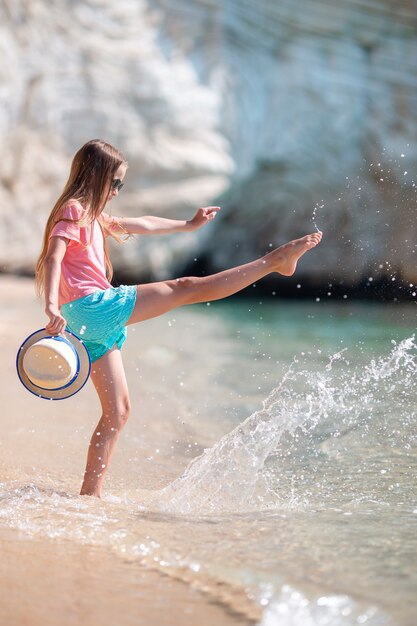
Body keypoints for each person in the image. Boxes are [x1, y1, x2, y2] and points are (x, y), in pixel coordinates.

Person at [35, 139, 322, 498]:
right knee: (187, 287)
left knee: (118, 412)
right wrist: (50, 306)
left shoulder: (93, 217)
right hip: (91, 306)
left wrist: (188, 225)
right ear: (97, 176)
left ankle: (88, 497)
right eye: (116, 183)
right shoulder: (75, 210)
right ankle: (274, 261)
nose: (118, 191)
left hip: (89, 321)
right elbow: (52, 257)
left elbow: (141, 224)